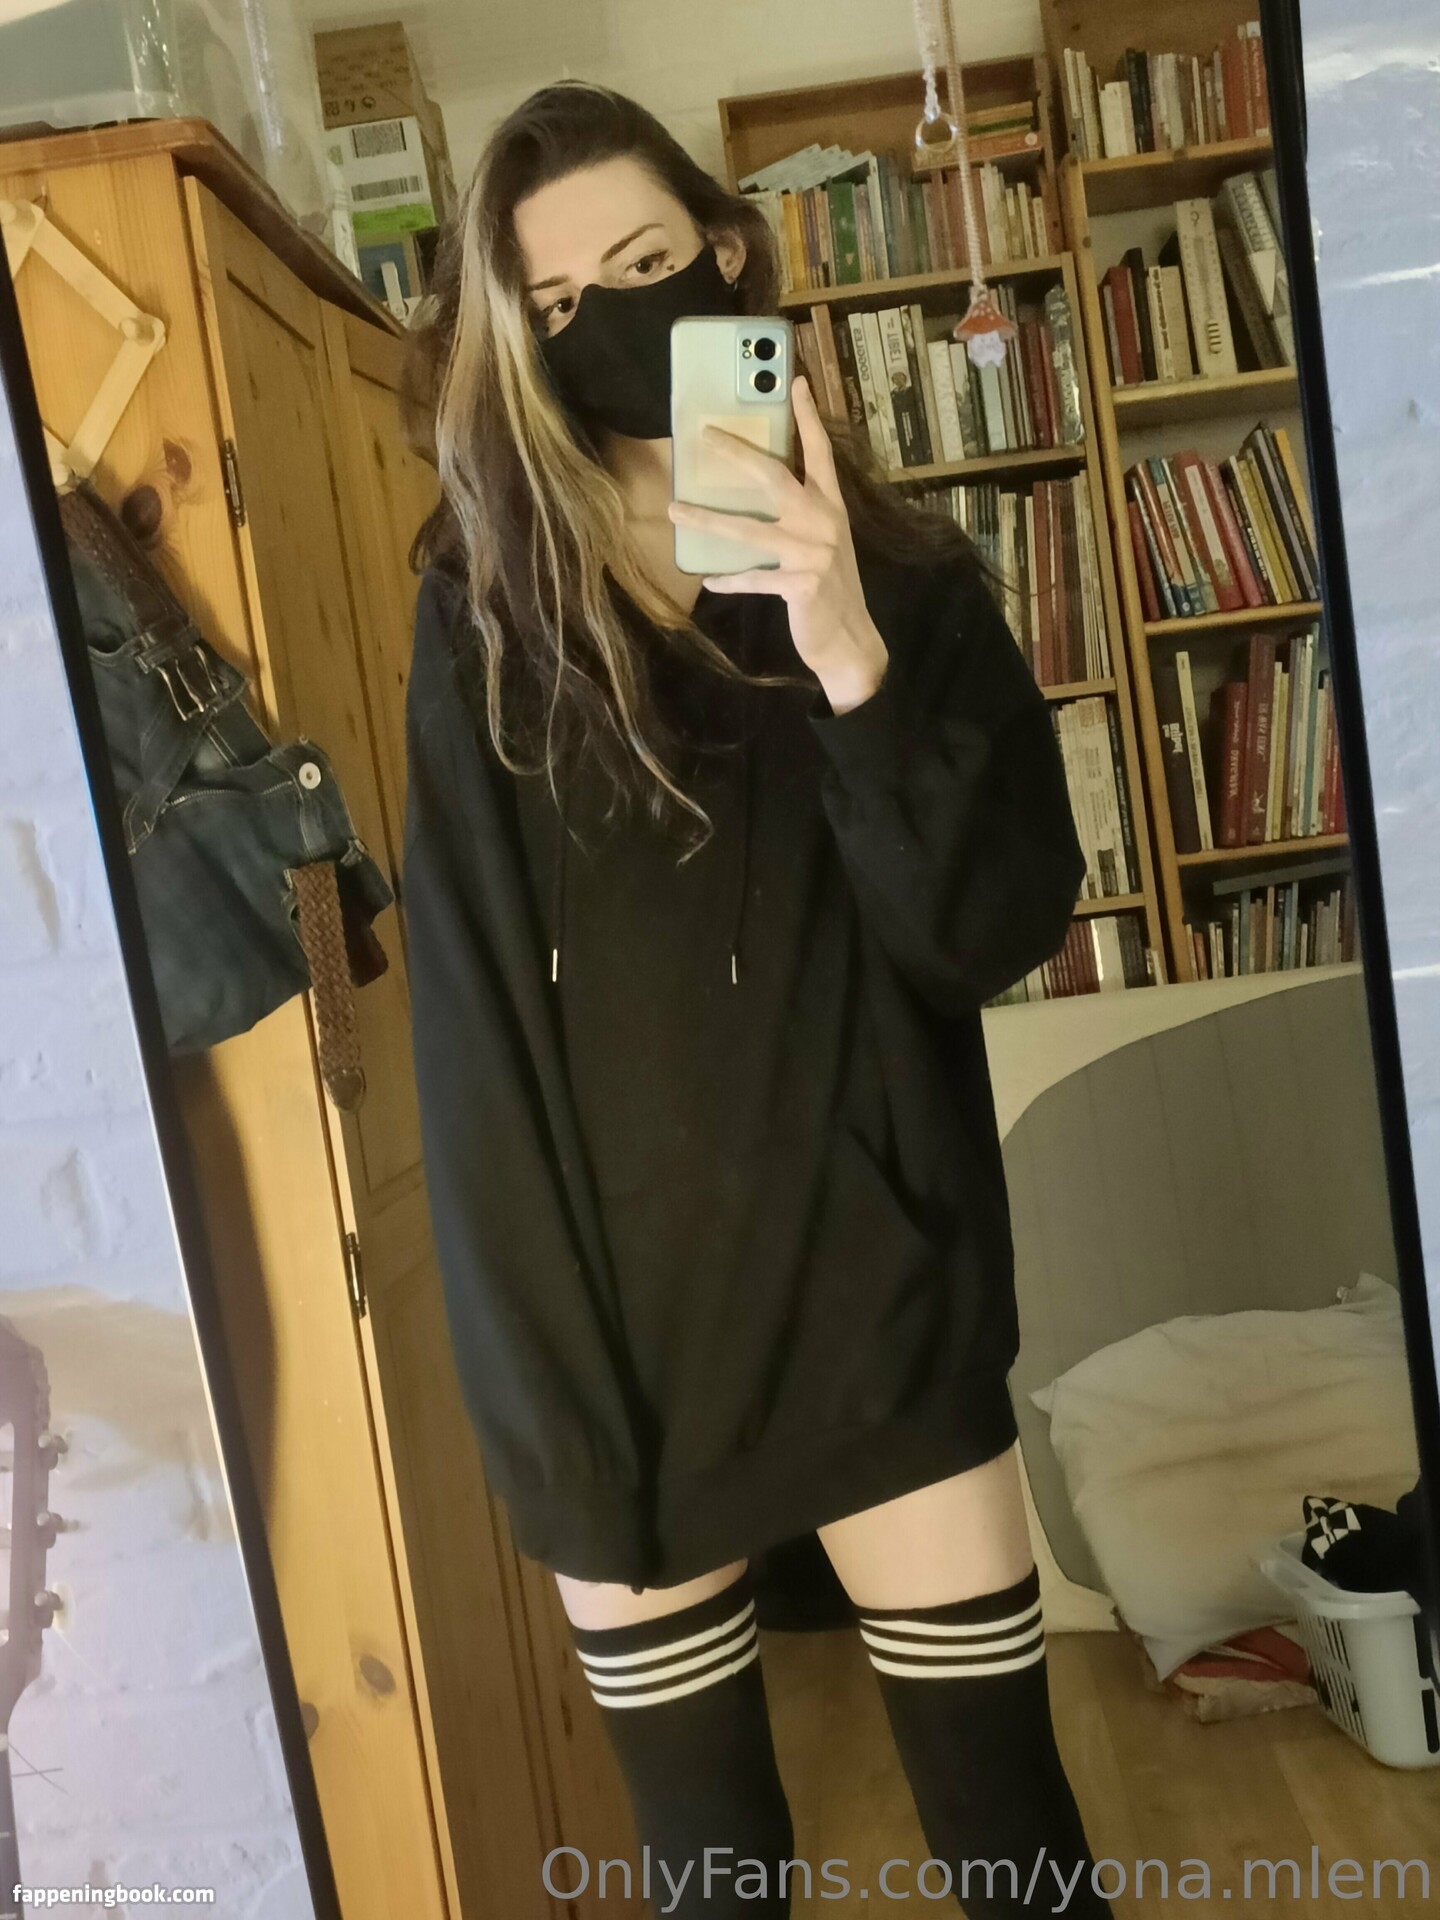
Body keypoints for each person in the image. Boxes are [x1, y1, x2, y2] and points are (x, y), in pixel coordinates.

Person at [401, 78, 1114, 1920]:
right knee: (715, 1886)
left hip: (887, 1309)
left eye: (642, 266)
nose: (604, 324)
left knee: (1020, 1860)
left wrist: (848, 655)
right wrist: (544, 1404)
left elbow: (986, 934)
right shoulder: (488, 616)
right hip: (624, 1364)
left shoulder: (918, 589)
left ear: (730, 256)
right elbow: (475, 1033)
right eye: (557, 305)